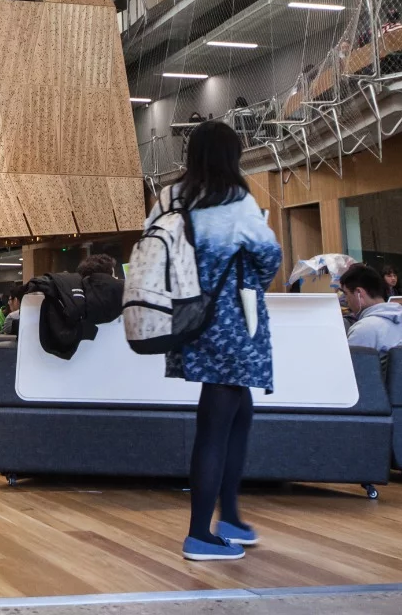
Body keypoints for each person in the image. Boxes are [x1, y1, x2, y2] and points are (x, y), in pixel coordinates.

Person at [163, 121, 281, 562]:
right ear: (231, 157)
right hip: (232, 321)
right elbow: (269, 254)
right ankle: (199, 534)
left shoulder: (171, 197)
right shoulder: (237, 200)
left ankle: (229, 515)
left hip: (190, 316)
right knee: (215, 422)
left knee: (237, 411)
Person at [339, 264, 402, 354]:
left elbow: (349, 367)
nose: (346, 301)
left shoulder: (363, 329)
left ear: (359, 293)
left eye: (346, 294)